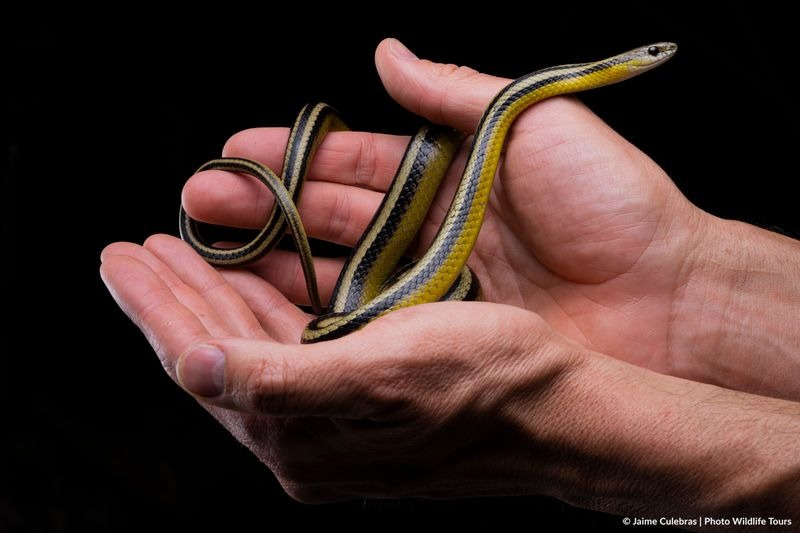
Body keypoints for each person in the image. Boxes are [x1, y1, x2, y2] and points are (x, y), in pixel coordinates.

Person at [100, 38, 799, 518]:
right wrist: (693, 273)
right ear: (616, 65)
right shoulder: (522, 103)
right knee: (372, 297)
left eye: (657, 54)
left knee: (364, 308)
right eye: (652, 53)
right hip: (412, 254)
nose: (661, 57)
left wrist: (686, 272)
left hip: (405, 270)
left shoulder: (525, 105)